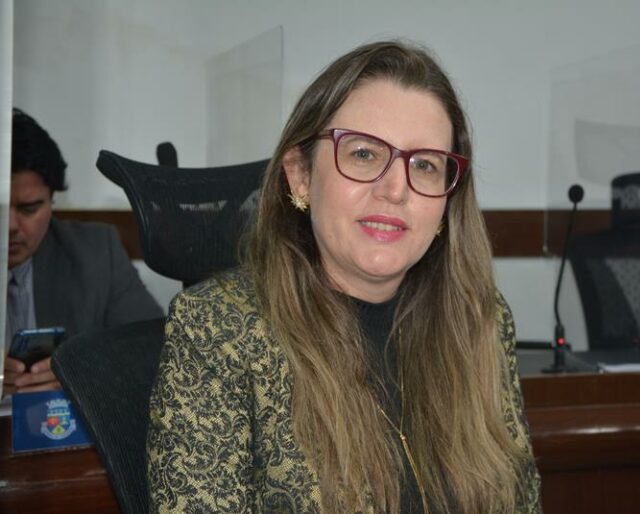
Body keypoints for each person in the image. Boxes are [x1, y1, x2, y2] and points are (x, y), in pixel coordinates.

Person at [148, 41, 541, 513]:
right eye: (363, 154)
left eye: (425, 165)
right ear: (301, 176)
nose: (395, 189)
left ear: (445, 201)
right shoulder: (220, 330)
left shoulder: (479, 319)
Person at [3, 108, 163, 396]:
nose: (11, 226)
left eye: (29, 209)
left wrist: (78, 374)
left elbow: (153, 350)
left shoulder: (96, 253)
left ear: (52, 201)